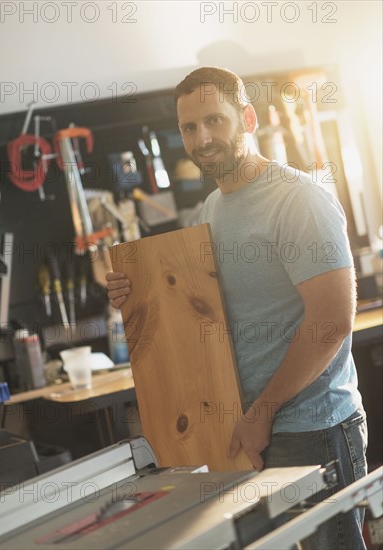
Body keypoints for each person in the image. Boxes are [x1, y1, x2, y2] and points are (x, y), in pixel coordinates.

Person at [106, 67, 367, 549]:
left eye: (214, 121)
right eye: (189, 127)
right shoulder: (210, 211)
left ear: (246, 117)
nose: (202, 138)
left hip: (312, 428)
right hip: (245, 431)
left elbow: (330, 323)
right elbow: (204, 315)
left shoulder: (298, 200)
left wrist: (261, 413)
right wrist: (136, 293)